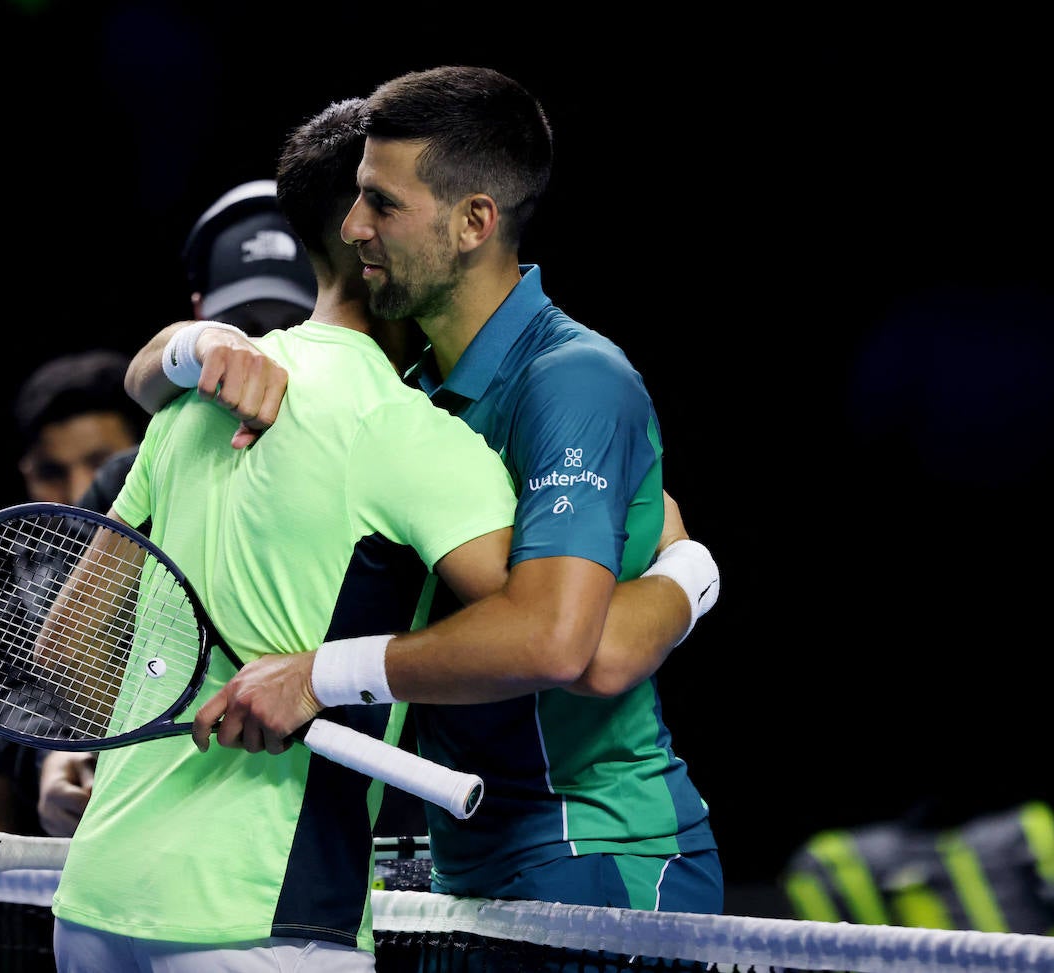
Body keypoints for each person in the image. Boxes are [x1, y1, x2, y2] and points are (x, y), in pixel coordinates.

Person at [51, 96, 713, 971]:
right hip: (375, 884)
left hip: (587, 852)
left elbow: (578, 650)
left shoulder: (566, 382)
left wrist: (691, 572)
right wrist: (689, 564)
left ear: (472, 221)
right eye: (358, 202)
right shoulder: (400, 410)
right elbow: (573, 644)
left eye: (385, 204)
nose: (363, 224)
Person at [32, 180, 323, 840]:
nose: (260, 355)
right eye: (243, 331)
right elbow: (60, 660)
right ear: (199, 314)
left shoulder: (375, 450)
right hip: (164, 841)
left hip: (337, 845)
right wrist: (64, 754)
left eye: (286, 326)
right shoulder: (130, 474)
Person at [0, 348, 151, 854]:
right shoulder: (1, 591)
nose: (79, 492)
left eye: (99, 464)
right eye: (52, 472)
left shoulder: (199, 552)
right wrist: (51, 761)